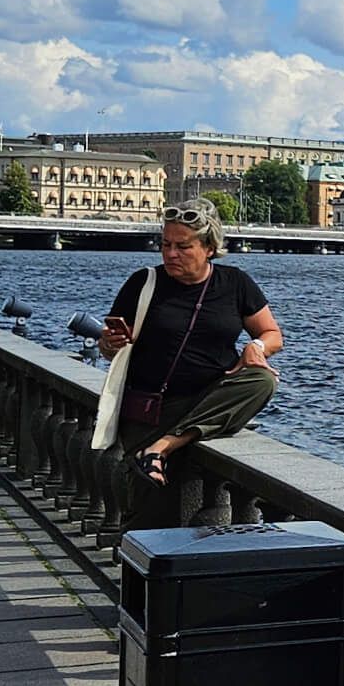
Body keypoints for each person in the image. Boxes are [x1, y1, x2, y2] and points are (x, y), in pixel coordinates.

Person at [97, 200, 282, 529]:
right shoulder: (143, 283)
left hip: (207, 401)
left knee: (262, 381)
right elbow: (111, 350)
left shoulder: (235, 284)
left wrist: (256, 347)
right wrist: (108, 344)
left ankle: (163, 446)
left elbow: (272, 334)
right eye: (165, 245)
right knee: (150, 519)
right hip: (151, 409)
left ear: (210, 247)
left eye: (183, 246)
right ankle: (136, 576)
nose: (170, 254)